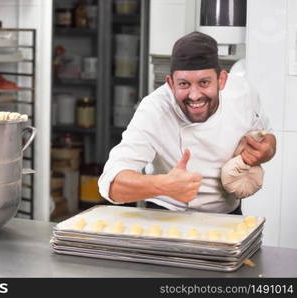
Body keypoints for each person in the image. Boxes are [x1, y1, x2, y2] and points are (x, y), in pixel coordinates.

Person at [98, 31, 276, 215]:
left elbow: (267, 136)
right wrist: (162, 185)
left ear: (221, 80)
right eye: (183, 84)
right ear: (170, 84)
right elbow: (110, 184)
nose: (194, 95)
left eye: (204, 82)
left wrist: (266, 151)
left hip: (228, 215)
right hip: (167, 214)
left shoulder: (242, 93)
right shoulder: (154, 110)